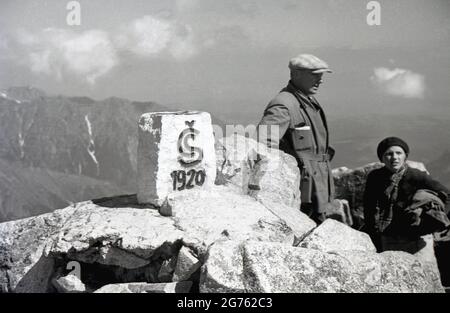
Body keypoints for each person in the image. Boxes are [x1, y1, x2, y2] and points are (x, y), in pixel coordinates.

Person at [258, 54, 335, 223]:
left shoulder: (306, 100)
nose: (320, 80)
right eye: (315, 75)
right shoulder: (283, 104)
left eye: (321, 75)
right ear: (296, 74)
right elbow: (264, 146)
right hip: (303, 187)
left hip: (318, 182)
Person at [363, 136, 450, 253]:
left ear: (405, 156)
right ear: (382, 158)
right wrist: (371, 233)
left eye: (399, 153)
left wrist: (442, 219)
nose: (394, 158)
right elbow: (368, 206)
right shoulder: (375, 177)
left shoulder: (416, 176)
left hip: (413, 236)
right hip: (384, 235)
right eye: (389, 154)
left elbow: (447, 194)